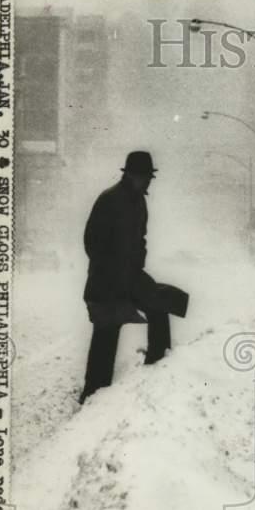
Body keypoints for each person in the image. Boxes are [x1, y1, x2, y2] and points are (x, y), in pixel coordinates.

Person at [79, 151, 171, 404]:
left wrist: (136, 266)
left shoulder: (139, 202)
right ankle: (93, 394)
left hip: (129, 276)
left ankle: (159, 366)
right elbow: (92, 242)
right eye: (145, 177)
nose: (149, 181)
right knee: (106, 335)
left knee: (161, 302)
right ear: (131, 175)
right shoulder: (109, 200)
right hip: (106, 281)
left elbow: (140, 239)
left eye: (150, 177)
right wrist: (112, 273)